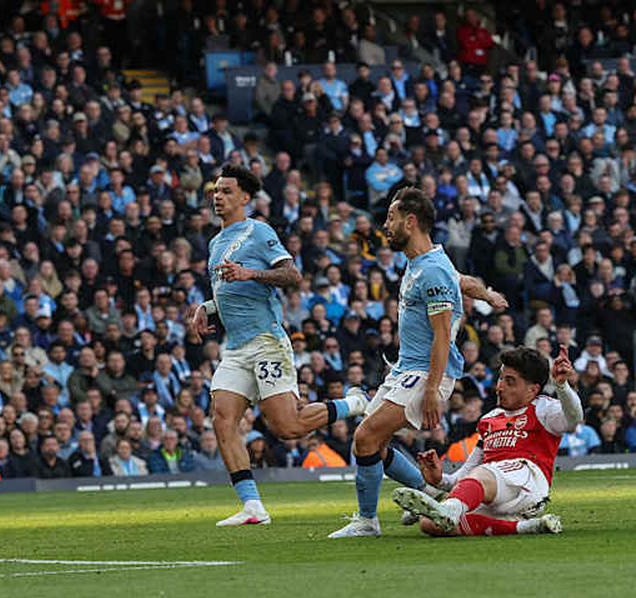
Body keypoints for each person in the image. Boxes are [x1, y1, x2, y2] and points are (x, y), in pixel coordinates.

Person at [188, 165, 370, 527]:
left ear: (245, 197)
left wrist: (251, 272)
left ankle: (355, 403)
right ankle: (252, 506)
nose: (218, 197)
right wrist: (206, 307)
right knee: (222, 418)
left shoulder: (259, 231)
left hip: (266, 342)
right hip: (236, 348)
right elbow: (228, 291)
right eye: (216, 191)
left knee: (288, 427)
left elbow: (292, 275)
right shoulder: (215, 242)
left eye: (226, 191)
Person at [330, 188, 509, 538]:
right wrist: (487, 294)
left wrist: (431, 390)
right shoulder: (427, 263)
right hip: (406, 370)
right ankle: (428, 493)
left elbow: (442, 335)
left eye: (391, 218)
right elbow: (463, 281)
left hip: (425, 373)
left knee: (365, 437)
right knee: (372, 443)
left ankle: (367, 522)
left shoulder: (432, 271)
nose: (386, 225)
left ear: (410, 222)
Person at [393, 346, 579, 536]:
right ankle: (527, 526)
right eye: (500, 378)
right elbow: (466, 474)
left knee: (482, 474)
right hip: (495, 489)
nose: (500, 387)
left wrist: (562, 386)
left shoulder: (543, 408)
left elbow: (574, 418)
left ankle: (449, 508)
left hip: (527, 483)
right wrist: (440, 480)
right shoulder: (489, 419)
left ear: (532, 390)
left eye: (510, 381)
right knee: (429, 524)